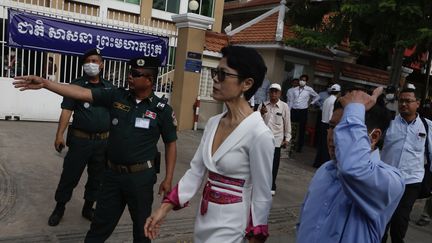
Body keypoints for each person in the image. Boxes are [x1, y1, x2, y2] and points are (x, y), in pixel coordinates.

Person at [13, 56, 178, 243]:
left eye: (135, 74)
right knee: (98, 229)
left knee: (142, 231)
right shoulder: (117, 96)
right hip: (112, 176)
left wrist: (168, 178)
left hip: (140, 179)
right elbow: (81, 93)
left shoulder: (162, 110)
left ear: (149, 80)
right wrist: (45, 83)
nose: (129, 77)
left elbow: (170, 143)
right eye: (129, 72)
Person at [144, 46, 274, 243]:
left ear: (246, 84)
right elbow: (196, 172)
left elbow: (262, 195)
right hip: (204, 218)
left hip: (233, 224)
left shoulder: (259, 133)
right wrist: (163, 209)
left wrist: (255, 235)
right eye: (215, 72)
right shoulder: (214, 123)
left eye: (222, 74)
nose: (215, 79)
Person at [296, 87, 405, 243]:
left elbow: (353, 170)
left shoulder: (391, 181)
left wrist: (355, 109)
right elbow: (305, 221)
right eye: (332, 127)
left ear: (373, 137)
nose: (333, 136)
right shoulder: (324, 170)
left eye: (344, 128)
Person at [48, 49, 113, 227]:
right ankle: (59, 208)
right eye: (87, 61)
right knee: (70, 176)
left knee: (97, 178)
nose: (91, 64)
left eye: (95, 60)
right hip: (80, 141)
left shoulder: (109, 88)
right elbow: (66, 110)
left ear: (102, 64)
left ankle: (88, 207)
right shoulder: (76, 85)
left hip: (103, 142)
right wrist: (59, 134)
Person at [381, 86, 432, 243]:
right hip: (386, 180)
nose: (403, 104)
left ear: (417, 103)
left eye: (408, 101)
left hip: (411, 181)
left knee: (400, 221)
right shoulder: (388, 124)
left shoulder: (427, 126)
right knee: (382, 220)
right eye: (401, 101)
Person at [259, 83, 291, 195]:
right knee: (262, 162)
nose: (273, 94)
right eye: (271, 91)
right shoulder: (263, 105)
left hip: (276, 139)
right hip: (263, 138)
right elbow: (257, 121)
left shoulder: (284, 106)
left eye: (276, 92)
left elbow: (287, 123)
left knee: (274, 163)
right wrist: (261, 113)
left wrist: (287, 138)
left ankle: (272, 184)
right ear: (269, 92)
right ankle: (261, 183)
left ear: (280, 93)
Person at [286, 74, 319, 152]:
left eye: (304, 80)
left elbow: (317, 96)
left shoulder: (309, 89)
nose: (302, 81)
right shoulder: (295, 89)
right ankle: (289, 145)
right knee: (291, 128)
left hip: (303, 111)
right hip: (294, 110)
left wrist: (312, 103)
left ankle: (299, 147)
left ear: (306, 82)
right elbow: (291, 101)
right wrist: (289, 110)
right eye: (301, 79)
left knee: (302, 129)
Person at [313, 84, 341, 168]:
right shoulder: (334, 101)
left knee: (321, 145)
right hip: (328, 125)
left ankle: (317, 162)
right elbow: (331, 115)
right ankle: (324, 164)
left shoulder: (327, 99)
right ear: (338, 92)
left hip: (322, 123)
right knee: (326, 146)